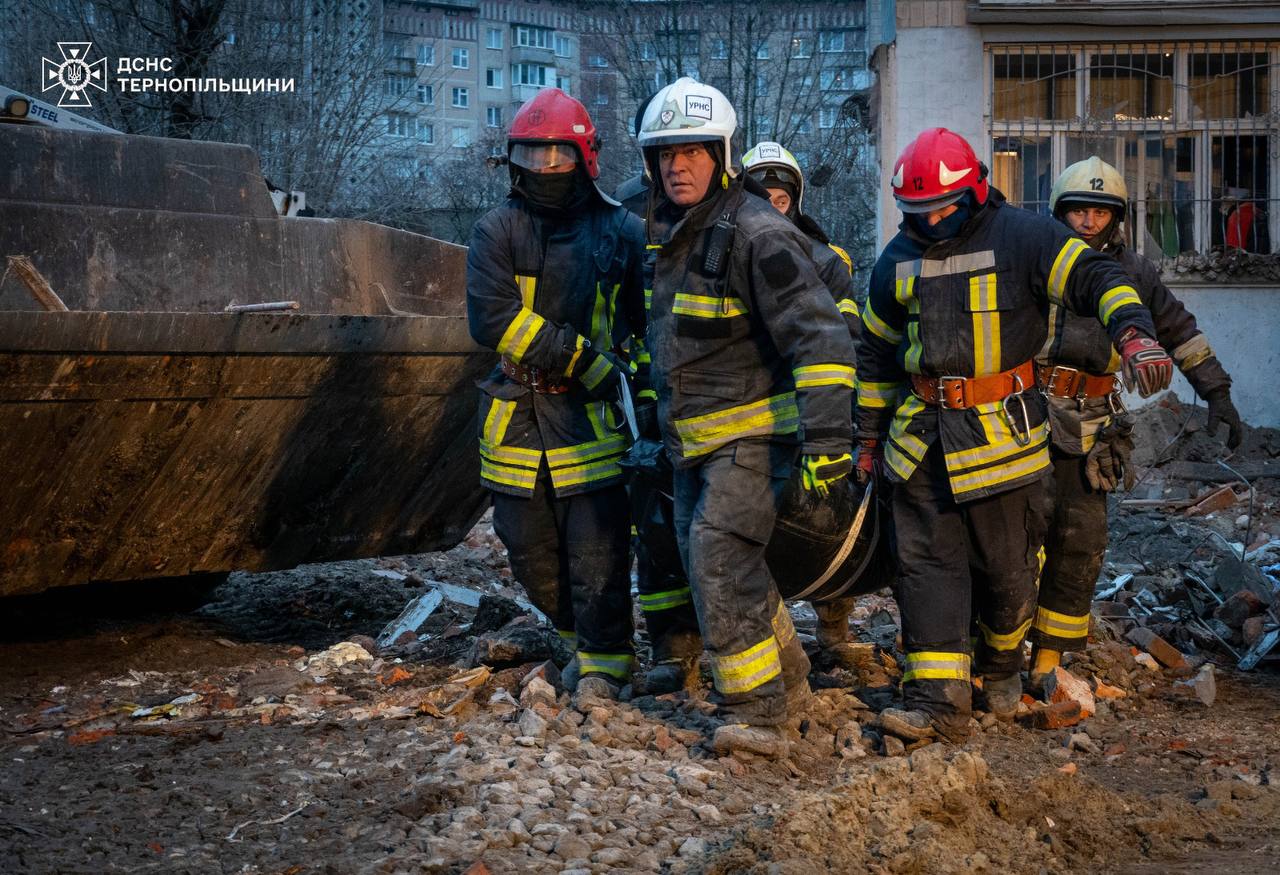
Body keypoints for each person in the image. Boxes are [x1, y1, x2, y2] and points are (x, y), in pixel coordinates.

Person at [856, 128, 1172, 742]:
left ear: (975, 191)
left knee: (1006, 572)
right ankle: (938, 703)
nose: (933, 221)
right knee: (926, 568)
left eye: (944, 207)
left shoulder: (1025, 237)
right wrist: (867, 440)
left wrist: (1133, 333)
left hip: (1001, 443)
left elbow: (1099, 279)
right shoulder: (896, 259)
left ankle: (1001, 665)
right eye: (919, 211)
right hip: (920, 441)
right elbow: (875, 354)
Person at [637, 77, 856, 757]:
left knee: (719, 561)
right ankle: (789, 680)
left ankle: (760, 714)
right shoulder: (670, 233)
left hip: (754, 435)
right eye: (665, 154)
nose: (677, 166)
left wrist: (828, 439)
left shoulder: (758, 232)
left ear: (723, 155)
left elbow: (821, 338)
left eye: (692, 152)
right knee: (722, 564)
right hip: (695, 441)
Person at [1029, 156, 1241, 686]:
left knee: (1079, 539)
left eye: (1100, 212)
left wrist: (1217, 393)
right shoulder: (1032, 258)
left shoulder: (1136, 272)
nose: (1088, 222)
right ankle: (995, 651)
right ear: (1058, 212)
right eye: (1078, 210)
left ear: (1117, 217)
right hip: (1024, 415)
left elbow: (1179, 331)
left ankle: (1048, 662)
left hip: (1089, 425)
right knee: (1012, 534)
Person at [466, 88, 647, 702]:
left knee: (599, 551)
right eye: (531, 155)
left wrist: (634, 384)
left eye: (556, 156)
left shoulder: (624, 232)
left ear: (584, 157)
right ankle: (575, 639)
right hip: (516, 415)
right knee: (529, 552)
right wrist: (582, 359)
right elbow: (493, 319)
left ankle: (606, 663)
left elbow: (646, 322)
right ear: (513, 160)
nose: (544, 168)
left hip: (591, 422)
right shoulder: (496, 229)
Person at [742, 140, 864, 666]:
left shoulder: (828, 260)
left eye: (782, 199)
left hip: (813, 407)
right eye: (761, 198)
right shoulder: (723, 253)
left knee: (827, 513)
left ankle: (834, 620)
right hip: (751, 408)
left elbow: (847, 335)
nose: (773, 208)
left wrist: (840, 413)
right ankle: (766, 633)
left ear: (795, 200)